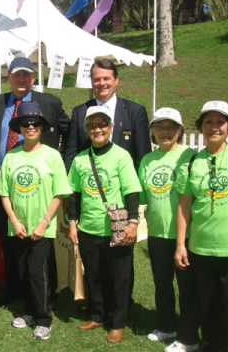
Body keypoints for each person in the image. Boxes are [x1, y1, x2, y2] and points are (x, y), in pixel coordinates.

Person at [0, 56, 70, 303]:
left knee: (42, 247)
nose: (21, 79)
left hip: (40, 191)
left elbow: (69, 132)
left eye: (26, 75)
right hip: (5, 190)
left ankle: (45, 295)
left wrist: (59, 162)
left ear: (33, 78)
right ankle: (16, 294)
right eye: (16, 74)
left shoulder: (50, 103)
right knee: (10, 245)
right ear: (8, 77)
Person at [175, 101, 228, 352]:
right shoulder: (194, 160)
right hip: (201, 248)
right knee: (206, 306)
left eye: (220, 122)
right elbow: (185, 206)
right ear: (201, 126)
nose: (214, 127)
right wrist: (180, 245)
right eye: (208, 122)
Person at [0, 102, 72, 341]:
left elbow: (60, 192)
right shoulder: (11, 156)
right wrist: (15, 221)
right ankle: (28, 311)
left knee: (39, 272)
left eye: (35, 123)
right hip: (18, 225)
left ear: (42, 127)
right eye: (26, 123)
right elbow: (4, 192)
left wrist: (44, 222)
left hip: (42, 227)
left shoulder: (52, 156)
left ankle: (43, 318)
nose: (30, 127)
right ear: (19, 127)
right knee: (22, 270)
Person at [67, 106, 142, 344]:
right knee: (94, 275)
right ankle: (98, 314)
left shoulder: (121, 155)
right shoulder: (79, 159)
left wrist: (132, 222)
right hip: (89, 228)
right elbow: (74, 194)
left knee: (119, 277)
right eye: (92, 126)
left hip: (116, 226)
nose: (97, 129)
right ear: (87, 130)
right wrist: (72, 222)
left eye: (102, 125)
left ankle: (117, 322)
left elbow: (131, 191)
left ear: (110, 128)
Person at [138, 108, 199, 352]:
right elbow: (142, 197)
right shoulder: (147, 160)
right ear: (153, 131)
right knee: (162, 283)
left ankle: (188, 336)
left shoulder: (192, 156)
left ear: (180, 131)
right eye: (160, 127)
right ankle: (166, 326)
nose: (165, 132)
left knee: (187, 288)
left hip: (187, 235)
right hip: (157, 235)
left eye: (171, 127)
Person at [64, 58, 151, 171]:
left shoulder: (135, 112)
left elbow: (143, 156)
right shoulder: (80, 112)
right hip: (89, 183)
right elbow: (71, 155)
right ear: (91, 82)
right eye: (97, 79)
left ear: (116, 81)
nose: (102, 83)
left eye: (106, 79)